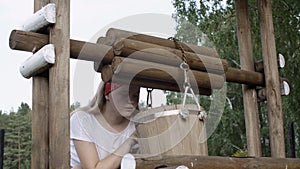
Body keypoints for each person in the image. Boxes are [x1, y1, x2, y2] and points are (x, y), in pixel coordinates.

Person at [70, 81, 140, 169]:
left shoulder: (134, 126)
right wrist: (130, 140)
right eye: (123, 95)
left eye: (135, 96)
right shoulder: (82, 120)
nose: (131, 101)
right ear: (106, 94)